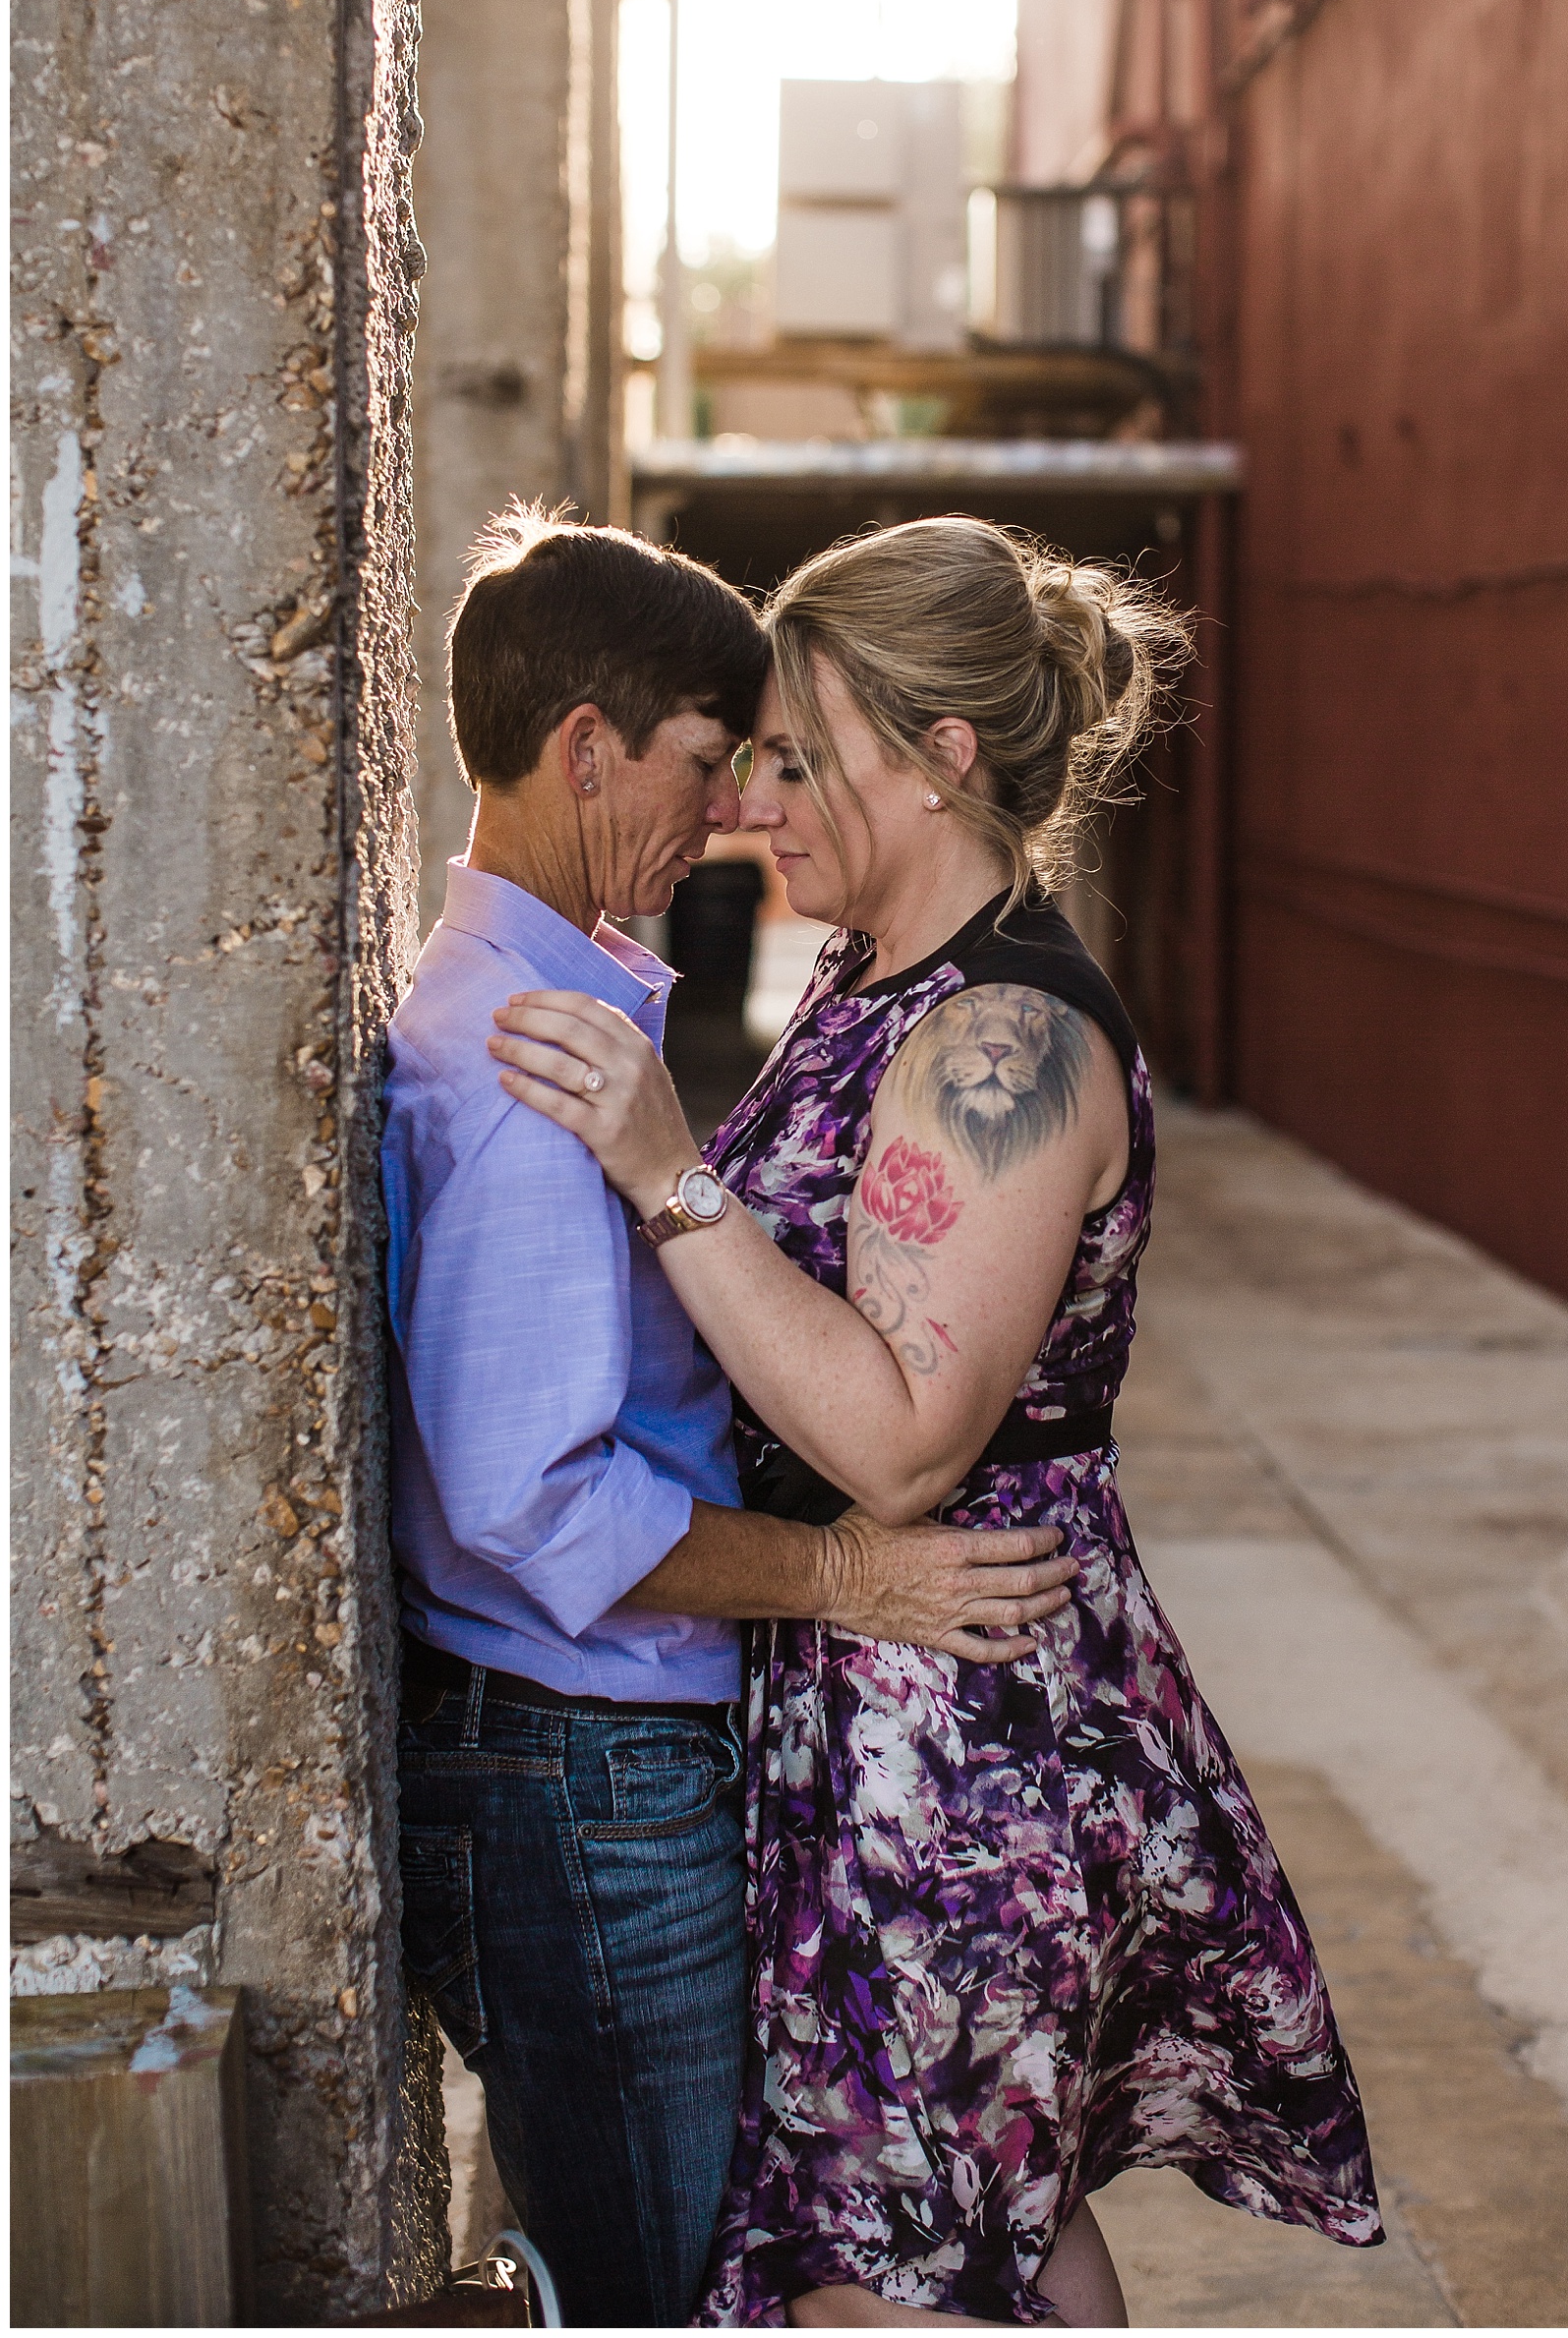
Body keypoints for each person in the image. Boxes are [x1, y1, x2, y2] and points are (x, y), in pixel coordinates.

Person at [490, 514, 1384, 2328]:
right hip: (875, 1708)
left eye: (803, 757)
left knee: (875, 2276)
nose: (752, 802)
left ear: (945, 755)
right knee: (995, 2236)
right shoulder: (871, 979)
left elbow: (904, 1443)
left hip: (960, 1740)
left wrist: (671, 1172)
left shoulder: (1011, 1042)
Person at [383, 511, 1079, 2332]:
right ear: (588, 748)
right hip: (589, 1757)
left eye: (783, 758)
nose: (735, 812)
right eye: (719, 758)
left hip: (671, 1745)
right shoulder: (548, 1055)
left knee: (913, 2230)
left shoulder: (559, 1014)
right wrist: (845, 1573)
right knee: (706, 2283)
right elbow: (534, 1507)